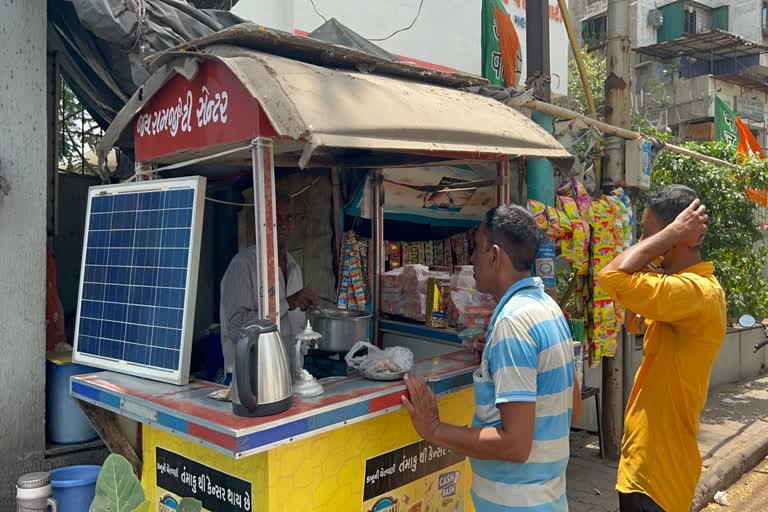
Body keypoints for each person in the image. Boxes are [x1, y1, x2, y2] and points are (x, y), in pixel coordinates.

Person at [401, 204, 580, 512]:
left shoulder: (513, 324)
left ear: (495, 255)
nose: (471, 259)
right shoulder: (547, 310)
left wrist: (434, 429)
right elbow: (571, 410)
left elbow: (514, 445)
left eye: (476, 250)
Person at [598, 185, 726, 512]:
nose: (641, 242)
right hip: (647, 468)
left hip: (656, 477)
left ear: (678, 234)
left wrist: (669, 234)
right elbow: (632, 322)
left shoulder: (695, 292)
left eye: (647, 233)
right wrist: (656, 252)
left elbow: (610, 277)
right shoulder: (678, 290)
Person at [220, 192, 317, 376]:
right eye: (276, 219)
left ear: (294, 224)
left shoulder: (294, 267)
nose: (283, 224)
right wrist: (287, 302)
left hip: (288, 377)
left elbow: (294, 327)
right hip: (252, 380)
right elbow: (235, 328)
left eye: (288, 218)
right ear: (262, 223)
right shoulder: (243, 265)